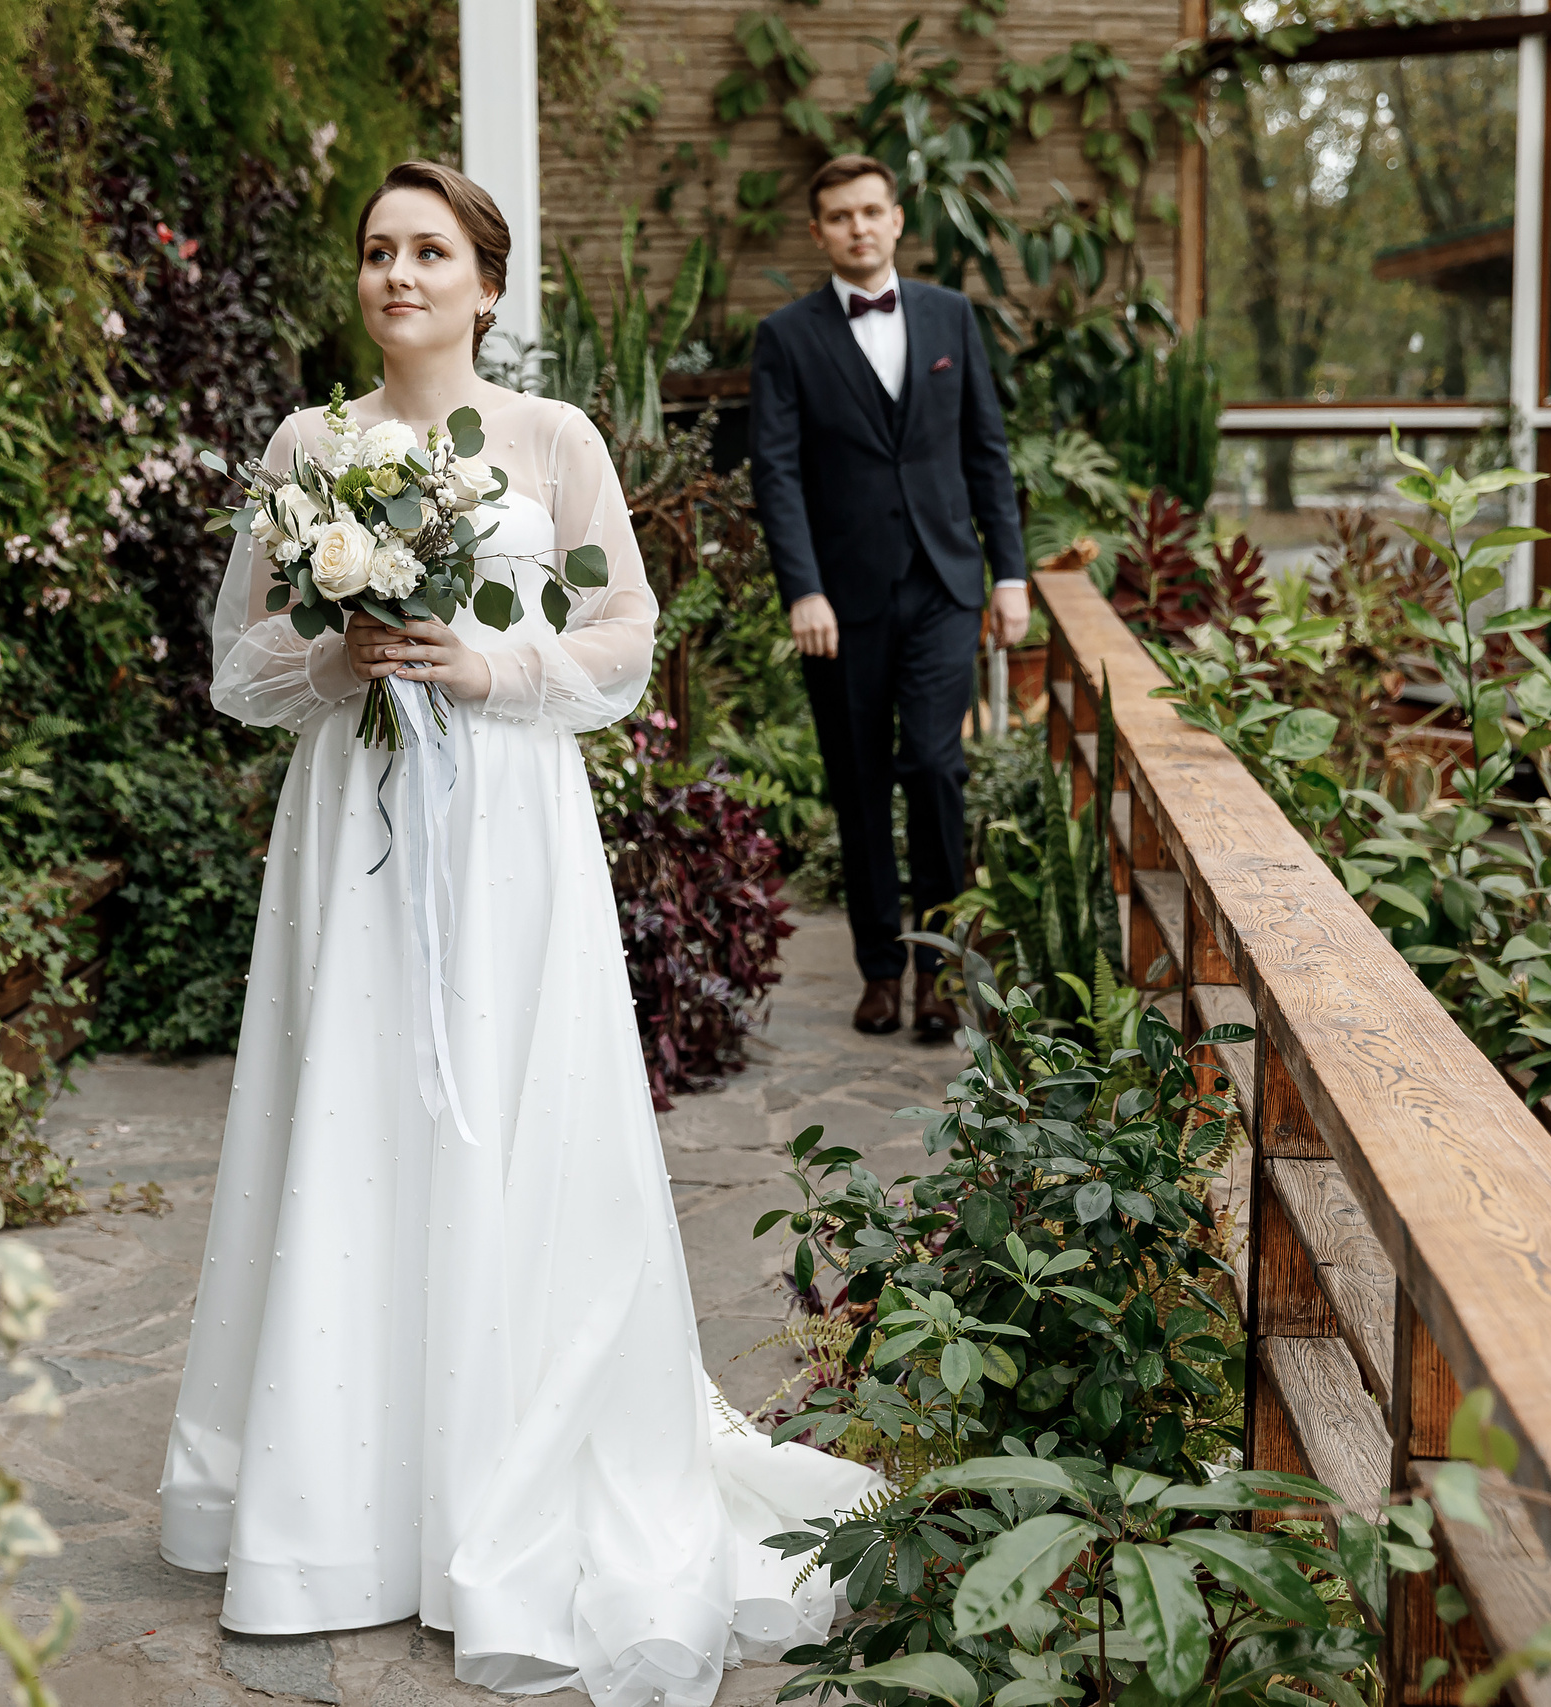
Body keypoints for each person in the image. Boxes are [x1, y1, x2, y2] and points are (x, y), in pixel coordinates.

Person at [160, 160, 879, 1703]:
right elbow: (238, 661)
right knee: (347, 1113)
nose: (396, 274)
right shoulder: (312, 447)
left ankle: (500, 1467)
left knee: (507, 1115)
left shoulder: (553, 439)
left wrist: (498, 672)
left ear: (488, 284)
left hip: (508, 821)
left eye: (428, 251)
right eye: (375, 251)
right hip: (352, 822)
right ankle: (332, 1498)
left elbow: (626, 632)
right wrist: (339, 659)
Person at [749, 154, 1029, 1043]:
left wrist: (1010, 572)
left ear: (899, 219)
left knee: (937, 769)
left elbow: (987, 450)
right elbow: (777, 474)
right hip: (843, 600)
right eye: (840, 216)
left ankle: (940, 970)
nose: (859, 228)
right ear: (818, 231)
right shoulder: (786, 337)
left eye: (872, 211)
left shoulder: (951, 316)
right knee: (860, 781)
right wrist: (803, 590)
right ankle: (878, 970)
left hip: (946, 585)